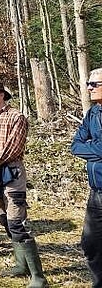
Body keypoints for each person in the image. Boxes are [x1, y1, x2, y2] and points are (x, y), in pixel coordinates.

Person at [0, 79, 47, 287]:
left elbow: (13, 148)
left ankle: (38, 277)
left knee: (17, 221)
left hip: (12, 173)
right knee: (1, 215)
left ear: (2, 94)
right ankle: (21, 264)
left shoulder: (17, 117)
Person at [71, 68, 102, 288]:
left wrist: (91, 146)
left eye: (94, 84)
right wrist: (94, 147)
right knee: (90, 244)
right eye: (88, 84)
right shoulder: (92, 113)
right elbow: (75, 145)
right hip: (96, 192)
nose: (89, 88)